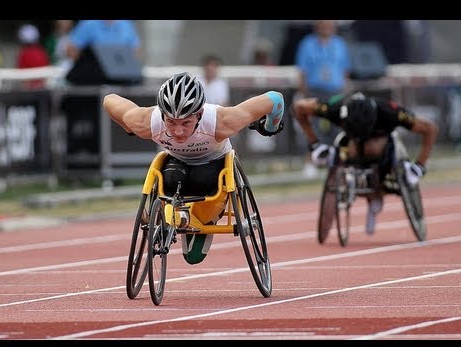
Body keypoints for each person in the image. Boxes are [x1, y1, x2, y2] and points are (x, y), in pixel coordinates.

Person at [103, 72, 284, 264]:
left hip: (214, 166)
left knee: (201, 180)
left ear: (199, 115)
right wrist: (128, 126)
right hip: (176, 163)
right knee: (170, 180)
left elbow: (275, 99)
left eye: (186, 123)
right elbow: (109, 100)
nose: (178, 131)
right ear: (163, 115)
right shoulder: (147, 122)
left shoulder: (222, 122)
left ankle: (205, 217)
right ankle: (175, 216)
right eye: (171, 122)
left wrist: (271, 126)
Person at [292, 91, 438, 235]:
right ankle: (356, 182)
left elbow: (430, 129)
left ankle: (377, 190)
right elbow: (299, 107)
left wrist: (419, 165)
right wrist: (315, 145)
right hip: (350, 143)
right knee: (349, 149)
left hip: (381, 143)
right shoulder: (335, 109)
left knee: (373, 147)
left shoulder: (390, 113)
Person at [294, 20, 352, 178]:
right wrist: (303, 93)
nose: (326, 26)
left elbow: (345, 71)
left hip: (335, 91)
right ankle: (310, 162)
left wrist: (345, 91)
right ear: (317, 25)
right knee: (312, 127)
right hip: (314, 90)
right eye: (323, 23)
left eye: (329, 23)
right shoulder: (307, 43)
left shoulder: (340, 44)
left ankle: (337, 161)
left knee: (338, 127)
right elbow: (302, 71)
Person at [66, 20, 142, 62]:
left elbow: (136, 52)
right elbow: (71, 50)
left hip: (121, 78)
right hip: (94, 79)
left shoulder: (127, 25)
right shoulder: (89, 24)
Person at [16, 24, 51, 89]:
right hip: (43, 88)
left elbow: (22, 75)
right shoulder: (42, 51)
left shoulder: (23, 54)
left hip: (30, 90)